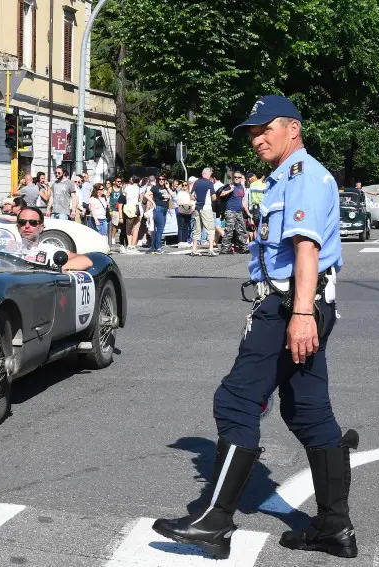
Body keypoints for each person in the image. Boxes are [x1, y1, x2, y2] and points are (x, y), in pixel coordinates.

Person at [153, 95, 358, 561]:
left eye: (266, 129)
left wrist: (301, 314)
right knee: (307, 411)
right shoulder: (287, 176)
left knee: (237, 399)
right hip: (301, 304)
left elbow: (306, 248)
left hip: (291, 307)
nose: (257, 138)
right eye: (252, 131)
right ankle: (333, 526)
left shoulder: (303, 177)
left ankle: (215, 520)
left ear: (294, 129)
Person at [14, 206, 92, 271]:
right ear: (18, 226)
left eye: (33, 222)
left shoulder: (48, 250)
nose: (27, 226)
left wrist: (58, 269)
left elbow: (86, 261)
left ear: (41, 228)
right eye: (22, 222)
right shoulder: (9, 250)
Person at [220, 171, 249, 254]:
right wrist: (230, 190)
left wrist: (247, 212)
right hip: (230, 211)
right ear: (233, 177)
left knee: (242, 230)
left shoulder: (242, 187)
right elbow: (221, 194)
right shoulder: (230, 186)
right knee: (229, 230)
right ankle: (225, 249)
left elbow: (243, 201)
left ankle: (243, 247)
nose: (236, 178)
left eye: (238, 177)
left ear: (241, 179)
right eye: (235, 177)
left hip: (239, 211)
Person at [190, 167, 217, 256]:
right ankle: (211, 249)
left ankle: (194, 249)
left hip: (198, 207)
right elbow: (213, 197)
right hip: (206, 207)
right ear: (207, 174)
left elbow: (192, 196)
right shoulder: (209, 183)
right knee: (210, 229)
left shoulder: (196, 183)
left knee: (197, 229)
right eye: (210, 174)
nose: (210, 176)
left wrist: (198, 199)